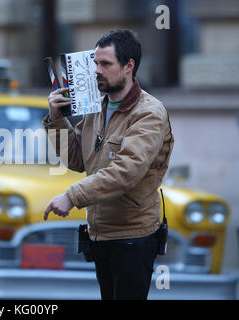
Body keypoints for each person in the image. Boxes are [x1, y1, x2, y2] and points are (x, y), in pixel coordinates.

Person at [42, 30, 174, 300]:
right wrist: (56, 119)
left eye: (105, 64)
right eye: (95, 63)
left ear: (128, 66)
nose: (97, 71)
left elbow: (126, 172)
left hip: (132, 238)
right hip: (101, 234)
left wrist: (72, 196)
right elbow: (78, 160)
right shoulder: (97, 106)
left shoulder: (149, 112)